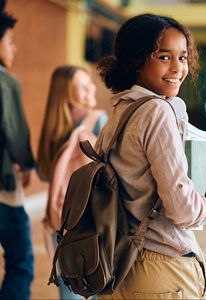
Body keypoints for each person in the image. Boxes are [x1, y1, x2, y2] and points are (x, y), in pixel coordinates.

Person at [95, 13, 206, 299]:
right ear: (137, 60)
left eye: (183, 58)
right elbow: (183, 210)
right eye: (164, 57)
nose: (177, 68)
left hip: (118, 264)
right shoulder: (157, 111)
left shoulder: (120, 111)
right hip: (161, 269)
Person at [36, 65, 107, 299]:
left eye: (89, 83)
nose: (90, 89)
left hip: (60, 223)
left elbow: (45, 173)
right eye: (81, 86)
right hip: (90, 223)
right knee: (94, 288)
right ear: (65, 92)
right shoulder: (97, 120)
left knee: (70, 293)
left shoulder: (53, 130)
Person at [0, 10, 36, 299]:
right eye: (10, 41)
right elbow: (15, 132)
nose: (14, 48)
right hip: (3, 190)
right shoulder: (5, 82)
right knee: (21, 264)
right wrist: (26, 166)